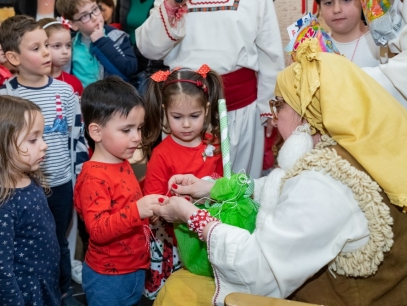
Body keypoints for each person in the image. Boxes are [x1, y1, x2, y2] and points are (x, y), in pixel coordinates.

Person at [152, 39, 407, 305]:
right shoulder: (356, 151)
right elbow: (283, 189)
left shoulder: (324, 185)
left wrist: (191, 216)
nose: (273, 118)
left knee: (178, 292)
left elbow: (259, 268)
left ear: (306, 115)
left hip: (341, 300)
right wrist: (211, 189)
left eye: (279, 106)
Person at [136, 0, 285, 180]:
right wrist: (171, 7)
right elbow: (148, 48)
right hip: (183, 112)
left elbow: (270, 54)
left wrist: (268, 107)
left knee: (238, 189)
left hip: (241, 113)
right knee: (183, 189)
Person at [0, 15, 82, 306]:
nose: (46, 52)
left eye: (47, 45)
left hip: (60, 184)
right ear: (13, 57)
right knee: (28, 246)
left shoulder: (65, 92)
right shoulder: (5, 97)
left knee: (56, 242)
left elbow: (76, 139)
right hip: (21, 188)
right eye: (36, 48)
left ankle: (61, 293)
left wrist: (79, 177)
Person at [0, 93, 60, 306]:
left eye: (42, 137)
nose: (44, 145)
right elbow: (3, 273)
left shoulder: (28, 179)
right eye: (33, 139)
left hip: (45, 282)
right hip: (24, 294)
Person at [74, 77, 162, 305]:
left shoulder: (121, 160)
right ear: (96, 132)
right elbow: (97, 230)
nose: (137, 137)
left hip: (133, 267)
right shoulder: (94, 176)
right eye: (126, 130)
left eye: (139, 128)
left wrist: (147, 210)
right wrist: (137, 211)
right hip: (108, 278)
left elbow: (124, 204)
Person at [142, 65, 224, 299]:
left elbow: (221, 184)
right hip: (175, 238)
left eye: (194, 116)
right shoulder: (162, 154)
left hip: (208, 230)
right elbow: (153, 204)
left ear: (206, 110)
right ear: (164, 111)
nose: (186, 125)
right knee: (179, 293)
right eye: (177, 117)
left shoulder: (215, 145)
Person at [38, 17, 90, 286]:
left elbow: (77, 129)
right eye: (55, 45)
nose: (63, 51)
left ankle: (68, 265)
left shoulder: (73, 84)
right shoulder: (34, 85)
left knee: (66, 223)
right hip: (41, 169)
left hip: (67, 167)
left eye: (67, 45)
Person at [56, 0, 138, 87]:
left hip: (113, 98)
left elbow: (129, 70)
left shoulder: (118, 37)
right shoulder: (70, 46)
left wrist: (102, 42)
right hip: (81, 98)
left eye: (95, 9)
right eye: (85, 16)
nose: (95, 17)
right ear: (74, 25)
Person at [315, 0, 380, 67]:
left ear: (362, 2)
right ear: (320, 8)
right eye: (328, 3)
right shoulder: (314, 48)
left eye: (346, 0)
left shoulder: (382, 43)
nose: (336, 9)